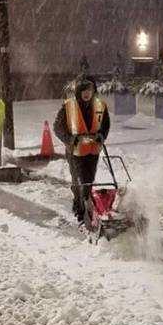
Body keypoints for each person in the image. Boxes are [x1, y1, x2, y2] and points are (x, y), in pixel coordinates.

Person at [54, 78, 110, 223]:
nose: (87, 94)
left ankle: (84, 205)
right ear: (79, 92)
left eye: (89, 91)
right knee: (80, 181)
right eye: (84, 91)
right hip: (75, 151)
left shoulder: (100, 106)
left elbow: (105, 125)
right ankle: (81, 211)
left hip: (93, 151)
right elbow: (58, 128)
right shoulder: (68, 107)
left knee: (89, 181)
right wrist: (70, 139)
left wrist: (101, 136)